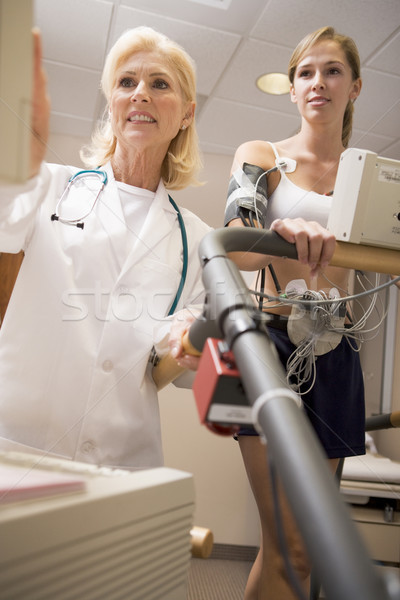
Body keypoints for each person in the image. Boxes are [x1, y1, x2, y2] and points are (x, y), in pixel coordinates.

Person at [0, 26, 211, 469]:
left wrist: (188, 336)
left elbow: (178, 358)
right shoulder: (48, 185)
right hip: (19, 442)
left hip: (123, 456)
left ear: (187, 114)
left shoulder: (198, 240)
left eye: (159, 84)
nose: (140, 94)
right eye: (126, 82)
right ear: (111, 104)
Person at [224, 26, 365, 599]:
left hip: (338, 352)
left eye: (332, 71)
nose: (318, 83)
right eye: (306, 72)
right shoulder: (264, 157)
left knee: (310, 547)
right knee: (291, 545)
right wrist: (284, 230)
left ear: (355, 87)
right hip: (275, 345)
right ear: (291, 88)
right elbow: (241, 241)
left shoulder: (370, 176)